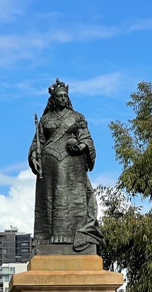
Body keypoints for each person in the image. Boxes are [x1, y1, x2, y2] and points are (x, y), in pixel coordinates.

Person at [29, 79, 104, 253]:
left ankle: (73, 236)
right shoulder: (45, 119)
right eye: (59, 96)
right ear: (53, 99)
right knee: (49, 200)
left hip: (72, 164)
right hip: (48, 166)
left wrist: (81, 146)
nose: (63, 98)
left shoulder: (77, 117)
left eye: (65, 96)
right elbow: (37, 142)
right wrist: (34, 156)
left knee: (73, 199)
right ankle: (46, 237)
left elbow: (86, 138)